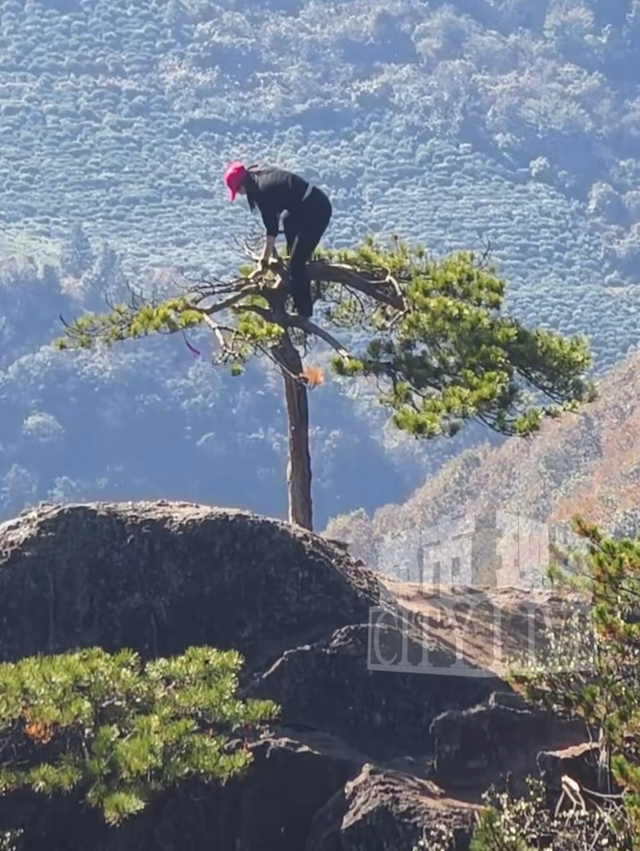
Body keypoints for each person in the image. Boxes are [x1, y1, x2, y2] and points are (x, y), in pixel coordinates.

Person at [223, 161, 332, 318]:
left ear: (242, 186)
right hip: (309, 203)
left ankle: (304, 312)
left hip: (316, 210)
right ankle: (295, 263)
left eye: (238, 191)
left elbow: (271, 232)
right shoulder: (261, 177)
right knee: (288, 221)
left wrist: (264, 261)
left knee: (296, 264)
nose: (240, 194)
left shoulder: (261, 192)